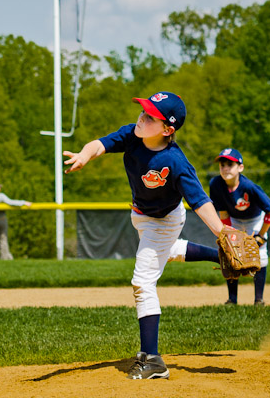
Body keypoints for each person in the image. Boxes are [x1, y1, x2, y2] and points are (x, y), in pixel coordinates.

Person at [63, 91, 226, 380]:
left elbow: (200, 201)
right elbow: (100, 144)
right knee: (166, 252)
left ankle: (152, 359)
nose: (142, 117)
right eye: (143, 110)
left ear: (168, 129)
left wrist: (222, 232)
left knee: (143, 281)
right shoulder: (132, 135)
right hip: (141, 215)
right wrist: (85, 155)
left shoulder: (175, 162)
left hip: (164, 220)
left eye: (151, 116)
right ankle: (219, 257)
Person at [210, 148, 270, 306]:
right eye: (222, 164)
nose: (225, 168)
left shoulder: (249, 186)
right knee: (230, 254)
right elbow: (223, 212)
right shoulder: (216, 184)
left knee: (260, 255)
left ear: (240, 167)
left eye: (230, 164)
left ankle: (258, 300)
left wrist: (261, 235)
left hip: (255, 219)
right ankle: (232, 300)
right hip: (234, 220)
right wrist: (228, 235)